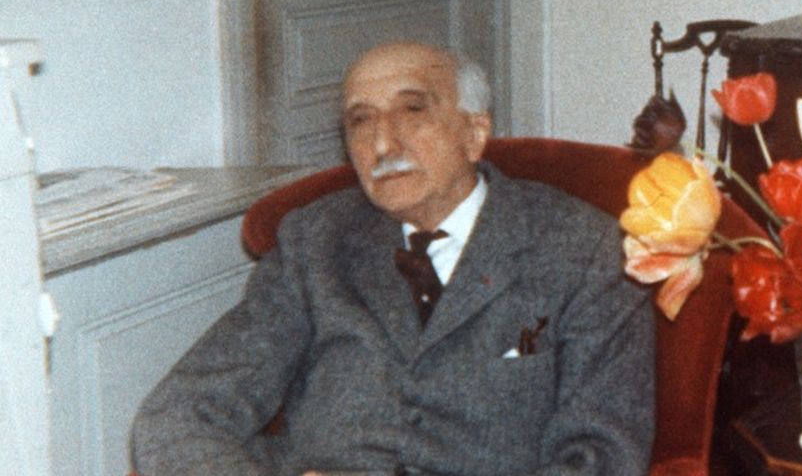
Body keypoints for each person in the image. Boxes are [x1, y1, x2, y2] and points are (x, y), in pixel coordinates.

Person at [131, 42, 655, 476]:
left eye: (413, 110)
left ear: (474, 134)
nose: (383, 143)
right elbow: (178, 412)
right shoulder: (316, 241)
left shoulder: (583, 248)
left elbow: (600, 458)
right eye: (360, 121)